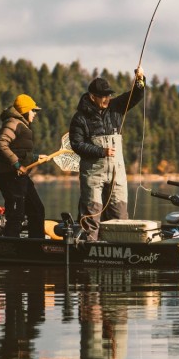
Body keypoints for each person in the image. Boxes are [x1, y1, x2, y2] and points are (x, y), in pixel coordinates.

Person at [69, 67, 146, 240]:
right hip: (93, 173)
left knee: (120, 215)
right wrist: (101, 151)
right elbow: (76, 145)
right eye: (103, 96)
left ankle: (121, 249)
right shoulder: (80, 118)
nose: (107, 99)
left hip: (117, 173)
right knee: (91, 215)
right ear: (92, 97)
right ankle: (88, 249)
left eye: (109, 95)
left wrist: (140, 80)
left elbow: (135, 95)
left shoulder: (116, 107)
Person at [0, 94, 49, 238]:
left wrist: (36, 157)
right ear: (25, 110)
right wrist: (17, 165)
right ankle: (9, 249)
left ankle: (36, 246)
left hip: (20, 177)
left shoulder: (21, 125)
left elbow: (19, 151)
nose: (35, 114)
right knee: (16, 216)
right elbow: (1, 144)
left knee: (37, 210)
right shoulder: (13, 123)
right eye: (33, 110)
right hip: (9, 177)